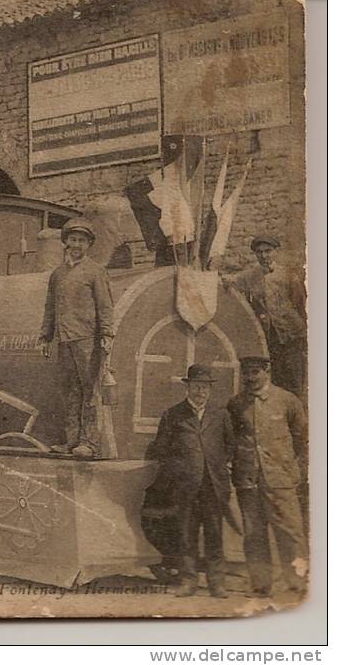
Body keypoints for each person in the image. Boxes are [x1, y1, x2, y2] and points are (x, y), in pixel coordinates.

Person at [143, 365, 234, 599]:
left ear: (210, 390)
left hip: (213, 486)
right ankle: (188, 581)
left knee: (215, 535)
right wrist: (179, 472)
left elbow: (230, 447)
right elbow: (161, 449)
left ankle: (217, 583)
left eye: (205, 388)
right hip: (184, 488)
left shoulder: (221, 415)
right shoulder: (173, 415)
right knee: (186, 535)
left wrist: (219, 470)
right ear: (188, 387)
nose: (200, 392)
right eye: (196, 387)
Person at [228, 356, 309, 598]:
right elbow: (231, 440)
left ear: (267, 371)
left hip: (280, 480)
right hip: (248, 481)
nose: (250, 378)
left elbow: (302, 439)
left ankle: (297, 582)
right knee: (253, 534)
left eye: (255, 372)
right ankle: (261, 584)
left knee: (290, 531)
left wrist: (294, 470)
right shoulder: (236, 404)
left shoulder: (287, 400)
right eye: (247, 373)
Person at [39, 217, 115, 459]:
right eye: (73, 239)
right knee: (70, 391)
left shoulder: (95, 271)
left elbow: (105, 306)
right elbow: (50, 307)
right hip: (64, 339)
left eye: (82, 240)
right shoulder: (57, 275)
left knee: (90, 391)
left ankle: (89, 443)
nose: (76, 244)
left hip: (87, 340)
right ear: (65, 242)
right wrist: (45, 336)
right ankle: (71, 441)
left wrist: (106, 333)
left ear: (89, 244)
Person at [226, 236, 307, 399]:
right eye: (259, 252)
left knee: (294, 382)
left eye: (268, 251)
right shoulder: (250, 276)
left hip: (292, 337)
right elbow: (230, 283)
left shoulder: (289, 275)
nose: (264, 256)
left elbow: (301, 305)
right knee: (273, 381)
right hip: (269, 339)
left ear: (276, 252)